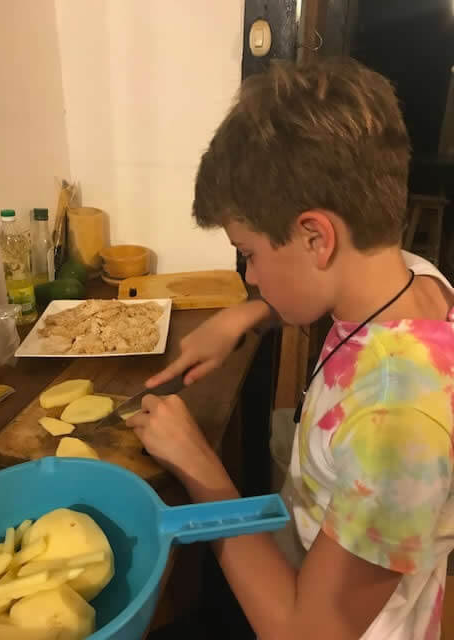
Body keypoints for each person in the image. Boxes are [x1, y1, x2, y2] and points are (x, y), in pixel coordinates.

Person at [128, 58, 454, 639]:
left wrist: (203, 469)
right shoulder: (415, 279)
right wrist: (246, 316)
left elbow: (305, 633)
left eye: (248, 253)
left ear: (315, 237)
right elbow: (326, 286)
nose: (250, 276)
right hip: (303, 558)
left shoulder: (397, 424)